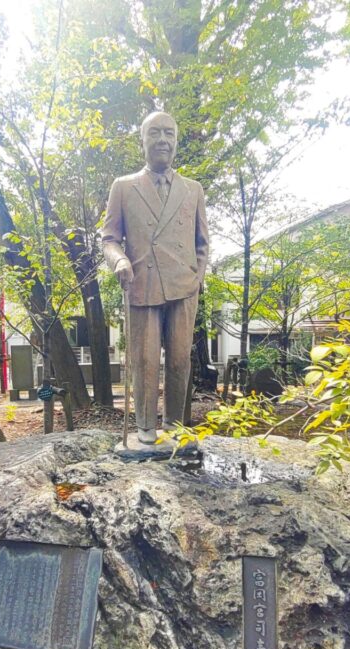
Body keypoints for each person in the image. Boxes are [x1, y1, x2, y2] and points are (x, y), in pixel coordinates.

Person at [102, 111, 210, 445]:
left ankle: (175, 423)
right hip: (142, 282)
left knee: (179, 358)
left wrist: (197, 276)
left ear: (176, 141)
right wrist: (119, 261)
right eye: (155, 133)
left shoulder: (193, 190)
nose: (162, 140)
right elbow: (109, 238)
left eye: (169, 133)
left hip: (182, 285)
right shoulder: (123, 187)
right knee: (146, 359)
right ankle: (146, 424)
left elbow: (202, 243)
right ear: (143, 140)